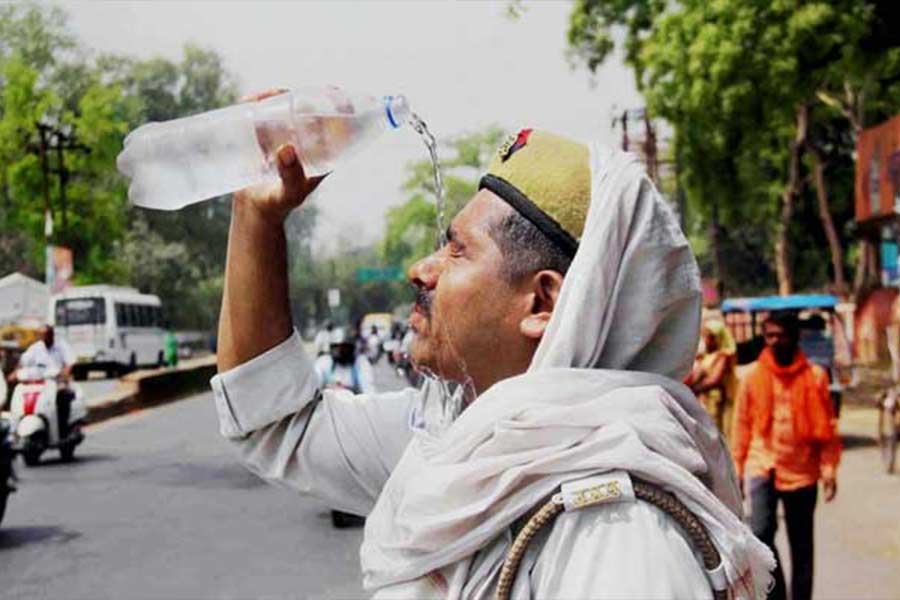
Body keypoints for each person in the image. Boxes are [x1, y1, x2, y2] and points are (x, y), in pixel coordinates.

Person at [212, 109, 773, 599]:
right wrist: (257, 214)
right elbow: (278, 421)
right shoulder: (463, 444)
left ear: (542, 302)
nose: (420, 270)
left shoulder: (617, 532)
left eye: (457, 251)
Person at [732, 311, 841, 600]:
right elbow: (741, 425)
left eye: (781, 335)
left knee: (802, 545)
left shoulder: (815, 377)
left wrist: (829, 470)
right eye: (769, 335)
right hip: (762, 465)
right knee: (761, 535)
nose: (774, 341)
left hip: (802, 472)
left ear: (795, 336)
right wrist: (737, 468)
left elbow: (828, 429)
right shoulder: (753, 376)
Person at [13, 325, 76, 436]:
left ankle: (63, 429)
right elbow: (23, 362)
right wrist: (15, 374)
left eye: (46, 335)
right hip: (40, 383)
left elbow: (70, 363)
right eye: (41, 335)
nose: (43, 338)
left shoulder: (61, 346)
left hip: (57, 381)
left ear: (52, 335)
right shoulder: (35, 348)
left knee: (62, 395)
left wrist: (64, 374)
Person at [690, 318, 738, 445]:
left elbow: (714, 380)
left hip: (718, 402)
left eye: (710, 337)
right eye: (705, 336)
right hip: (706, 401)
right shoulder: (705, 356)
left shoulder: (723, 356)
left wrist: (693, 389)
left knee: (719, 433)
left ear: (718, 338)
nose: (706, 340)